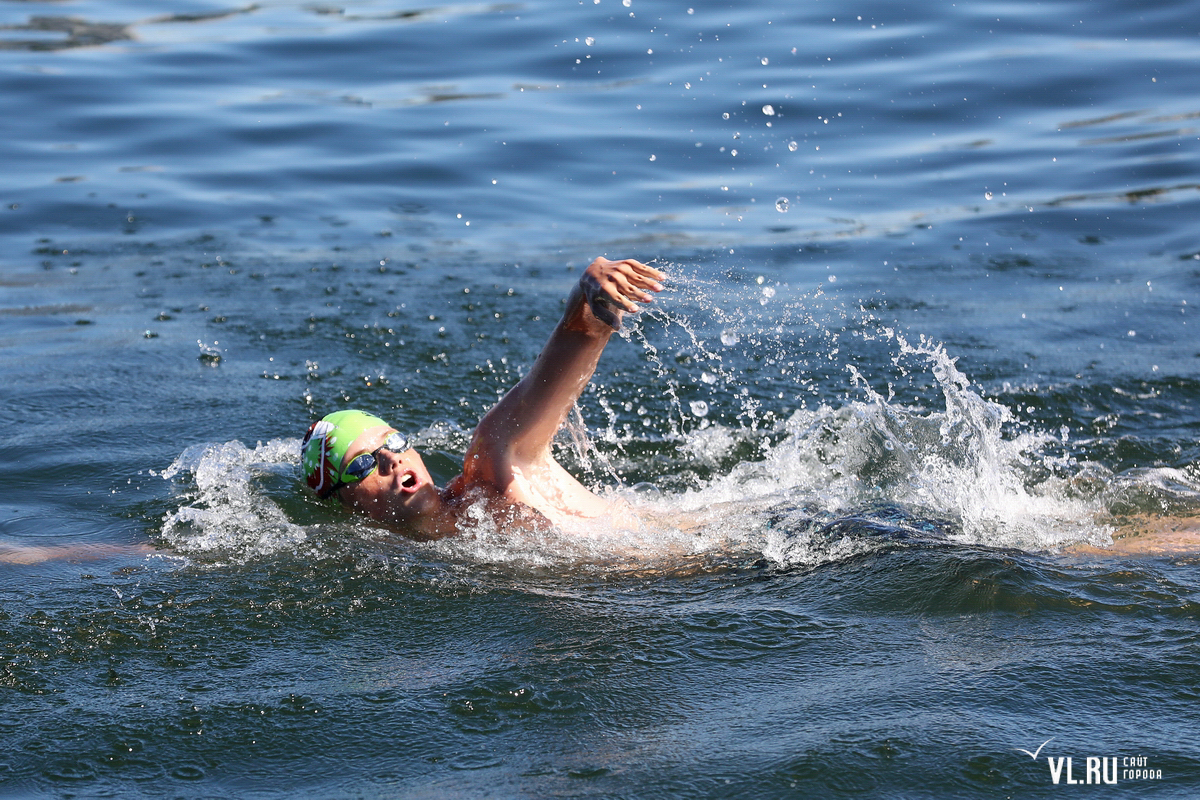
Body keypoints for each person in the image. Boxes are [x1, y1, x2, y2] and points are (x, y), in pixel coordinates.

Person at [301, 257, 666, 540]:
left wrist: (589, 291)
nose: (390, 459)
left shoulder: (493, 471)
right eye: (362, 464)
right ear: (345, 504)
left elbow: (581, 332)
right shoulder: (421, 554)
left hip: (704, 566)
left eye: (394, 441)